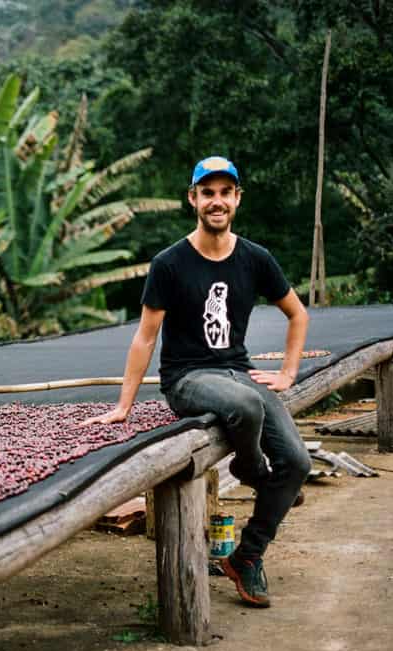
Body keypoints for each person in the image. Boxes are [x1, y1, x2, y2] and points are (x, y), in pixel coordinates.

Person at [80, 156, 311, 608]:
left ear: (237, 199)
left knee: (298, 464)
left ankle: (246, 557)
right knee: (247, 407)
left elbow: (297, 313)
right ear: (193, 199)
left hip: (238, 372)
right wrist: (123, 405)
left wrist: (287, 373)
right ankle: (250, 469)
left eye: (225, 193)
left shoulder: (256, 258)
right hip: (188, 378)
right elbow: (145, 337)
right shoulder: (169, 263)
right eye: (208, 193)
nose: (217, 201)